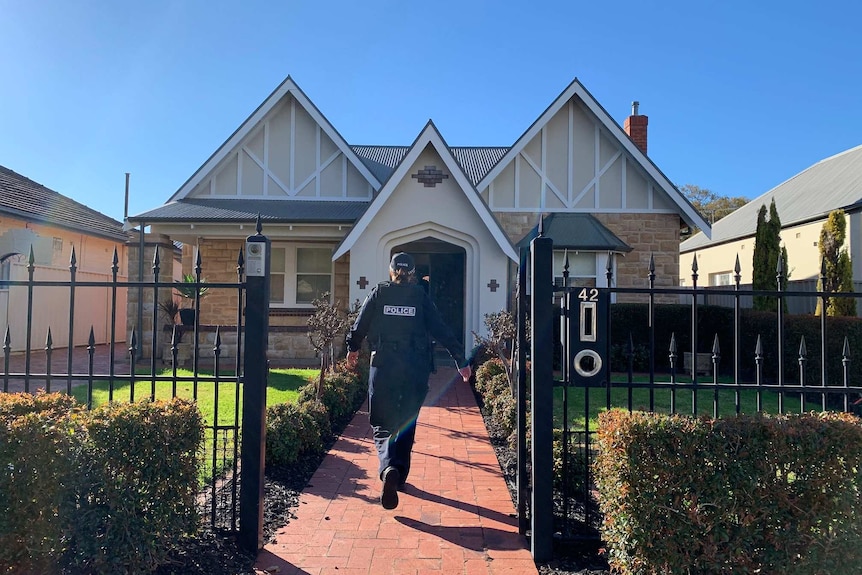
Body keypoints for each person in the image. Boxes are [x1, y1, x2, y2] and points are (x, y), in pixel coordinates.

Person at [346, 252, 472, 510]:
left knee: (381, 423)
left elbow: (360, 325)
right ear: (412, 273)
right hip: (415, 368)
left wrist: (353, 349)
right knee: (406, 421)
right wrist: (460, 359)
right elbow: (441, 329)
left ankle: (388, 467)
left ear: (391, 271)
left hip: (384, 365)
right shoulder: (420, 297)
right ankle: (398, 474)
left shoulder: (379, 293)